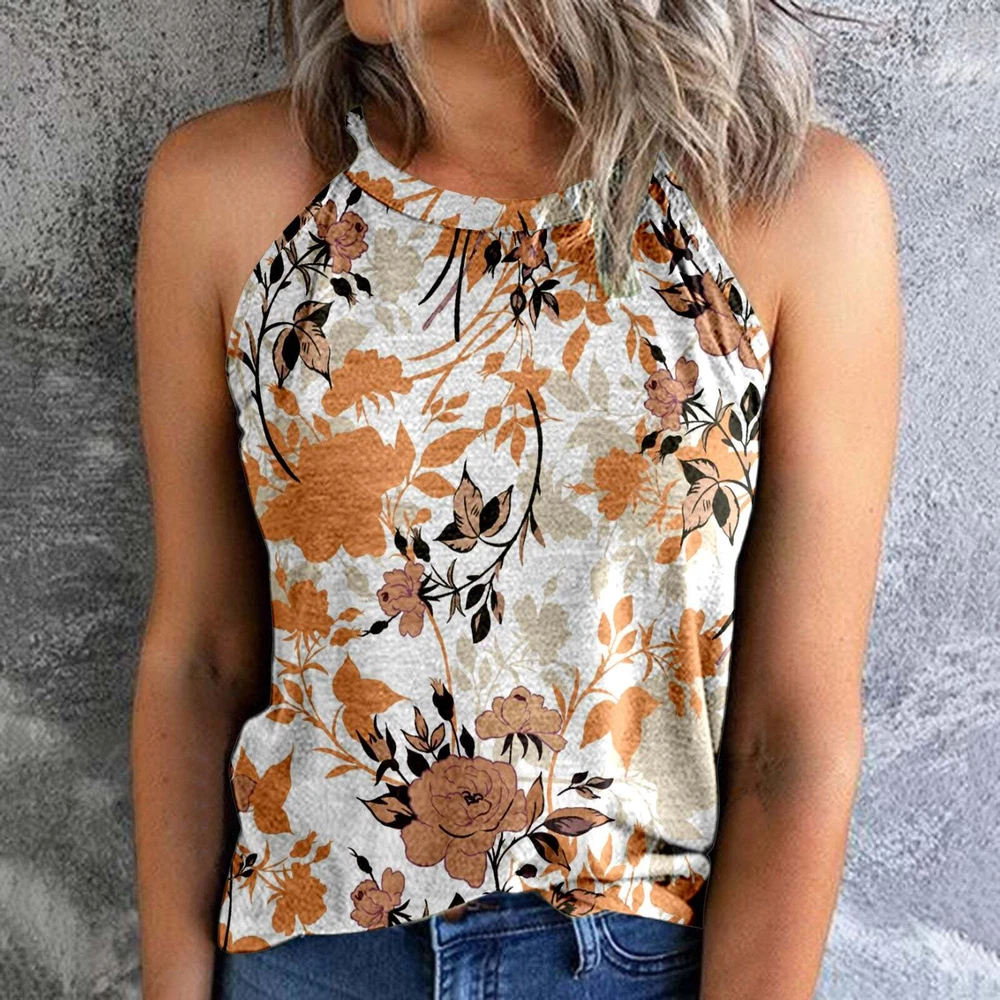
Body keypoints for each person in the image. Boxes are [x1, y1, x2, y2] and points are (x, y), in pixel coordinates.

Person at [131, 2, 902, 998]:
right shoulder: (225, 195)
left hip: (630, 964)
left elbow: (787, 737)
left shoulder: (792, 210)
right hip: (310, 958)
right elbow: (200, 656)